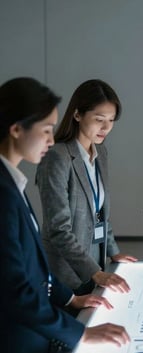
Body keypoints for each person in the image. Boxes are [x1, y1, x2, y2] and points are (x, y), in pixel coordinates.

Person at [0, 77, 130, 353]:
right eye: (46, 129)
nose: (51, 138)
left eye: (111, 120)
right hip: (23, 333)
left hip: (54, 305)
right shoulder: (12, 186)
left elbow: (33, 269)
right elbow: (16, 289)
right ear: (15, 129)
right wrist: (81, 334)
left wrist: (71, 298)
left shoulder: (14, 182)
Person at [36, 79, 137, 297]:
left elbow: (100, 213)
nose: (106, 127)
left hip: (95, 264)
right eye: (99, 119)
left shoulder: (101, 153)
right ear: (77, 114)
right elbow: (58, 230)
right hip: (65, 275)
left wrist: (113, 252)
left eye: (111, 120)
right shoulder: (57, 157)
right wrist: (95, 273)